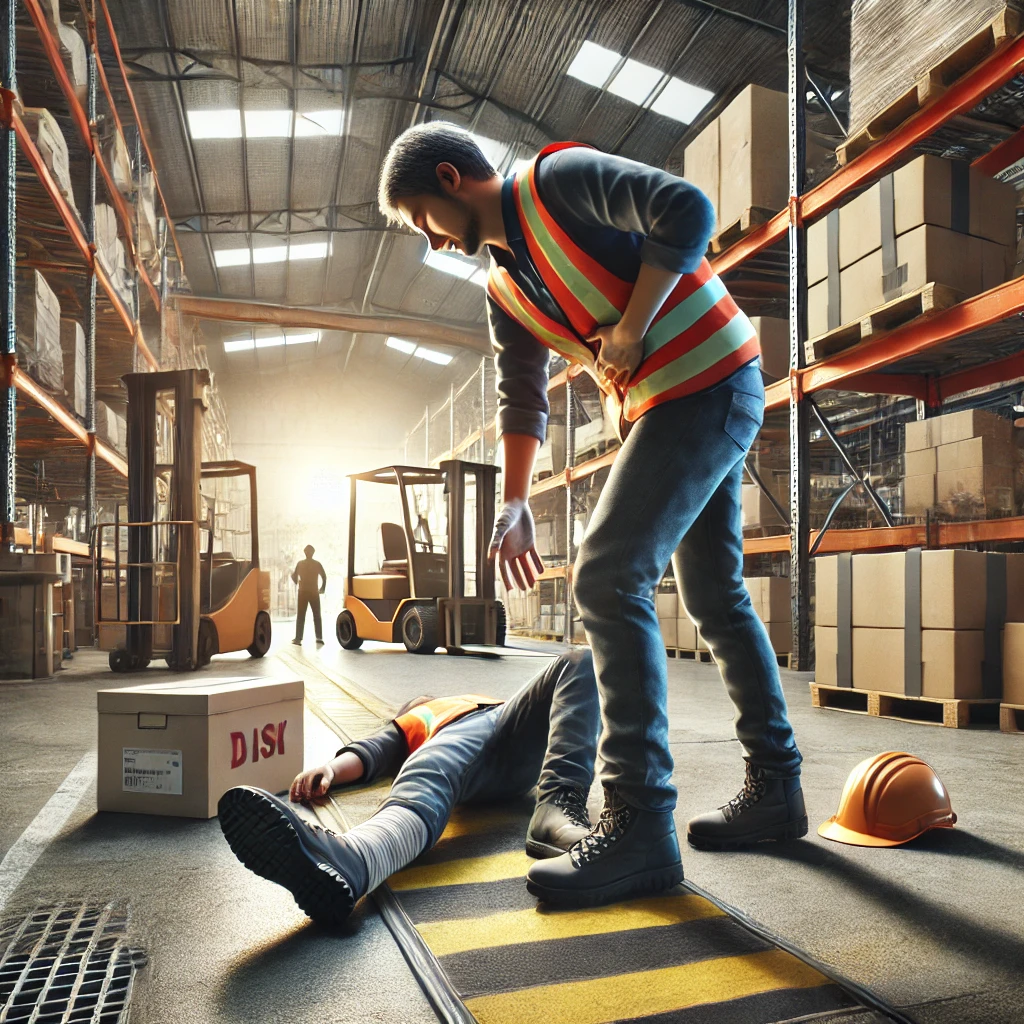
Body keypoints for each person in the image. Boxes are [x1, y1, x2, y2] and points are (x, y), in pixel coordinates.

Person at [376, 123, 805, 908]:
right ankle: (777, 788)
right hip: (666, 406)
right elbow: (522, 399)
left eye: (422, 219)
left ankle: (640, 823)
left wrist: (634, 327)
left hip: (707, 382)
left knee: (608, 578)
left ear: (451, 178)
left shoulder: (559, 181)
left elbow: (687, 208)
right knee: (715, 598)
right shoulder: (503, 291)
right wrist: (514, 503)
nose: (430, 244)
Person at [218, 650, 599, 926]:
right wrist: (331, 768)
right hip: (498, 757)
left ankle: (559, 801)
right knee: (432, 763)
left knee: (579, 661)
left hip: (505, 733)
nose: (423, 699)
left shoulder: (463, 708)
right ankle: (359, 858)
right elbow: (375, 750)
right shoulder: (422, 723)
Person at [291, 544, 326, 646]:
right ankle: (319, 637)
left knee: (301, 616)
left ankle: (298, 639)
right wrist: (322, 588)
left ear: (305, 553)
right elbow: (324, 576)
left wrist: (293, 577)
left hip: (302, 592)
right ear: (313, 553)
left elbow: (294, 578)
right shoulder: (317, 564)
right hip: (314, 592)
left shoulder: (300, 564)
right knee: (317, 615)